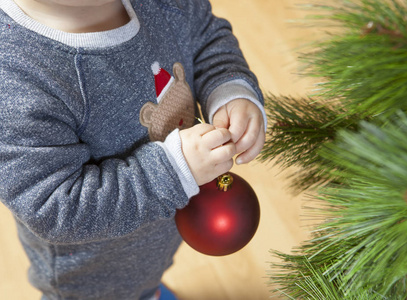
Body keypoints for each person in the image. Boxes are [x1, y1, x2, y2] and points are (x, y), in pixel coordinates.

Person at [0, 0, 266, 299]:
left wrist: (229, 88)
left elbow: (204, 35)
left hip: (158, 227)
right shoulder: (13, 79)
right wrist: (173, 171)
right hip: (93, 272)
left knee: (149, 275)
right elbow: (55, 206)